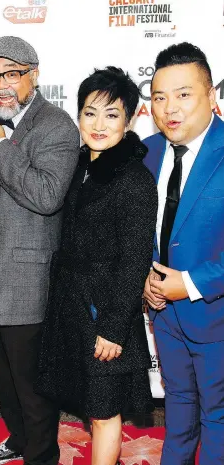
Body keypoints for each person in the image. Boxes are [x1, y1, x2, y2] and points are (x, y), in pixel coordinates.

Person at [36, 67, 157, 465]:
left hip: (105, 315)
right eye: (90, 113)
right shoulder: (77, 167)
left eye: (111, 114)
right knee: (91, 408)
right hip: (71, 308)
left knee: (105, 413)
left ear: (129, 119)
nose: (99, 124)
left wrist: (113, 328)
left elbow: (134, 260)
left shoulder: (134, 179)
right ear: (78, 116)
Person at [0, 36, 80, 465]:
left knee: (33, 391)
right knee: (6, 381)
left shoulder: (56, 125)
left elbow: (47, 195)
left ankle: (41, 457)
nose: (1, 84)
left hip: (29, 278)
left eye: (12, 74)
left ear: (34, 75)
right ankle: (17, 441)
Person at [143, 42, 224, 465]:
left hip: (217, 315)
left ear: (211, 96)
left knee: (218, 419)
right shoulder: (148, 151)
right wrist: (145, 278)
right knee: (177, 413)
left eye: (184, 94)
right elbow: (137, 232)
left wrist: (188, 283)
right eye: (159, 97)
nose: (170, 108)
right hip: (163, 315)